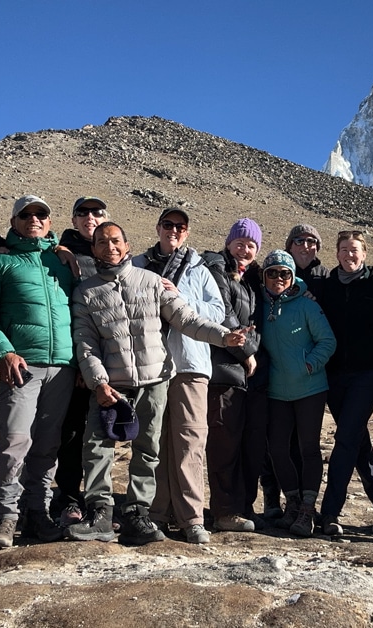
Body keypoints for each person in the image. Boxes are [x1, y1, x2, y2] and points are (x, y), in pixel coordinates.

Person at [68, 222, 251, 545]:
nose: (110, 247)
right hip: (112, 384)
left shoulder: (151, 282)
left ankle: (138, 513)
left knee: (148, 450)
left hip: (154, 381)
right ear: (94, 249)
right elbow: (86, 344)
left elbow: (187, 319)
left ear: (127, 245)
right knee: (97, 447)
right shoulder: (86, 292)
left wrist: (225, 337)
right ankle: (100, 513)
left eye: (115, 241)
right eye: (102, 242)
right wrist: (98, 382)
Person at [0, 195, 76, 548]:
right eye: (26, 215)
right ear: (14, 222)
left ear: (50, 222)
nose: (33, 220)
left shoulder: (62, 261)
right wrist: (3, 352)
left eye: (41, 215)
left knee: (48, 446)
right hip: (22, 366)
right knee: (14, 442)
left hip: (63, 367)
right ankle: (5, 517)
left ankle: (38, 512)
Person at [134, 208, 226, 544]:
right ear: (158, 227)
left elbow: (218, 312)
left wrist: (180, 299)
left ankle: (192, 518)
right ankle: (155, 514)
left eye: (180, 226)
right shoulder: (139, 265)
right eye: (168, 225)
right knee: (154, 441)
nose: (174, 230)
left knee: (190, 442)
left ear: (187, 232)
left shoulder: (200, 269)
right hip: (151, 365)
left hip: (190, 364)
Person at [317, 230, 373, 536]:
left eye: (355, 250)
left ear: (364, 254)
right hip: (334, 375)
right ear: (337, 253)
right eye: (344, 250)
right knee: (358, 440)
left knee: (346, 438)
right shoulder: (327, 287)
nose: (349, 255)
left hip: (367, 374)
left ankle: (330, 512)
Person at [258, 250, 337, 537]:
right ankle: (291, 502)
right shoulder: (259, 305)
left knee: (308, 448)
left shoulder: (306, 305)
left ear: (292, 277)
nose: (278, 278)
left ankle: (307, 508)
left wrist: (309, 365)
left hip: (310, 388)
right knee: (277, 448)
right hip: (276, 390)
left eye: (284, 273)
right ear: (264, 276)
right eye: (272, 273)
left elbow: (327, 341)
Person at [201, 218, 266, 533]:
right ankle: (224, 511)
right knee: (224, 444)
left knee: (245, 445)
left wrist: (251, 350)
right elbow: (223, 314)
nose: (245, 249)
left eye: (251, 245)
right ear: (228, 243)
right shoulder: (216, 269)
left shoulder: (250, 280)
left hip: (241, 375)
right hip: (222, 371)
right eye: (240, 243)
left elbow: (254, 323)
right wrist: (248, 352)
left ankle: (241, 507)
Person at [53, 196, 108, 530]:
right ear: (73, 220)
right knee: (72, 432)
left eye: (97, 212)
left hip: (109, 361)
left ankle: (101, 503)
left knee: (102, 432)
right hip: (76, 360)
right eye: (82, 213)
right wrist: (79, 363)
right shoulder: (62, 255)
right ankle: (69, 499)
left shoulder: (111, 254)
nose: (90, 217)